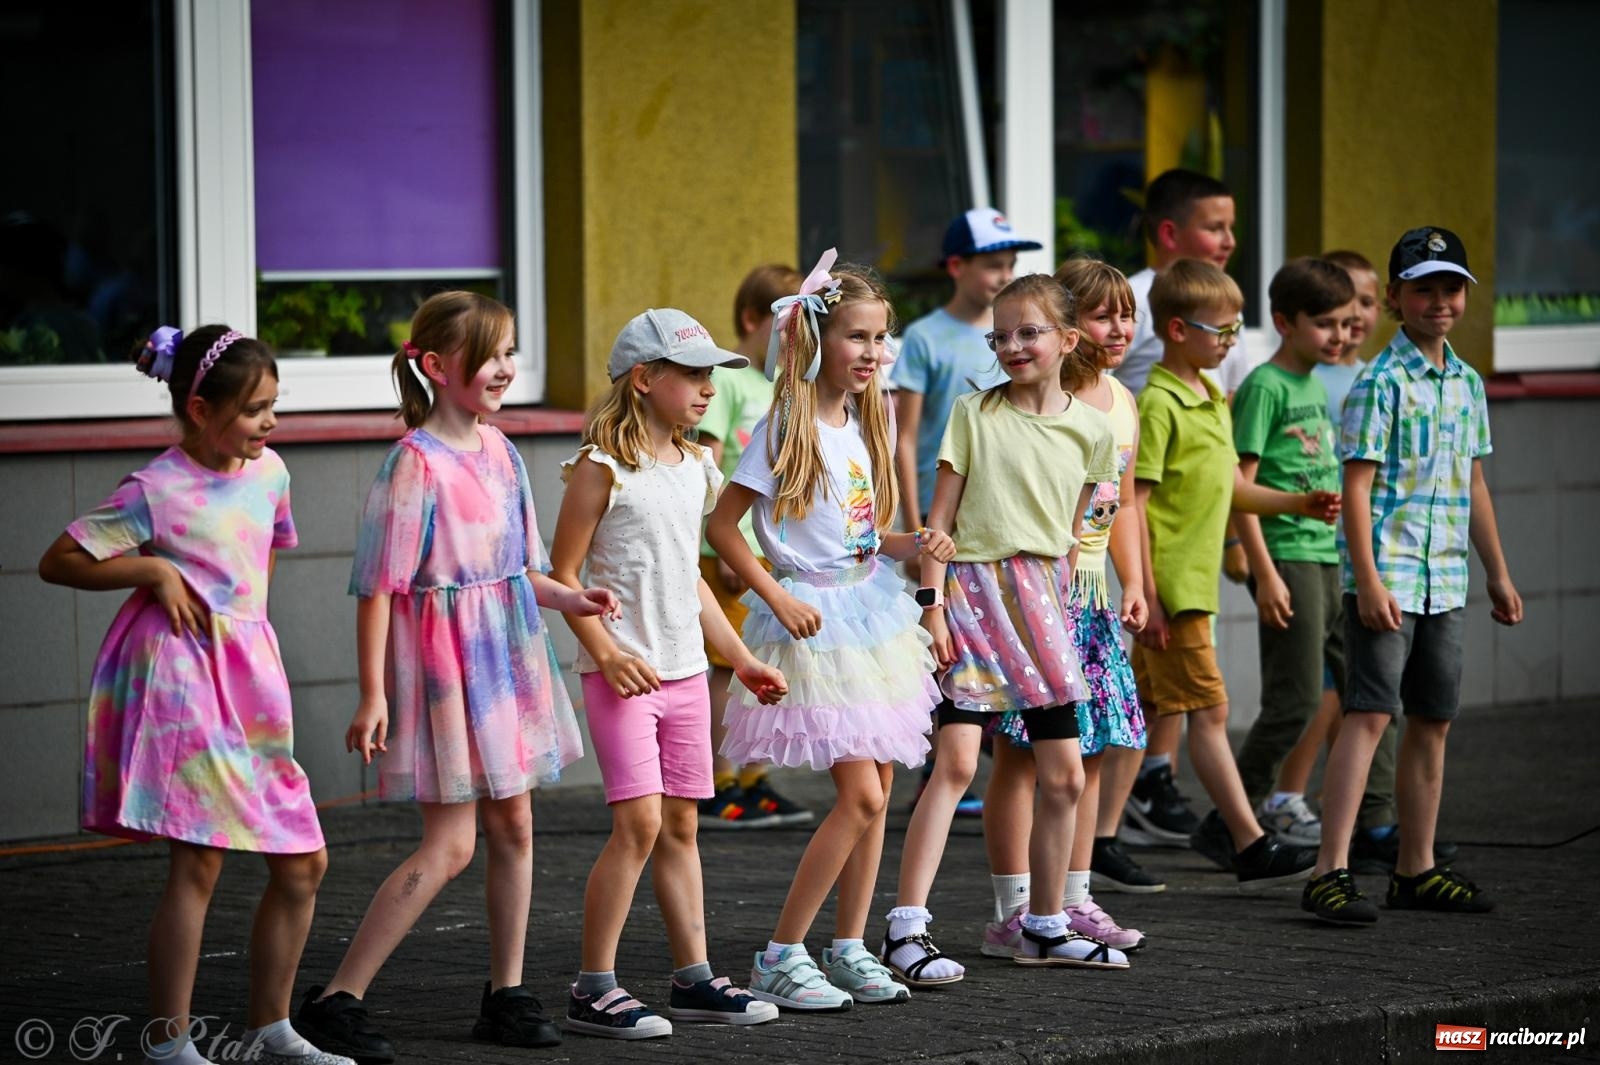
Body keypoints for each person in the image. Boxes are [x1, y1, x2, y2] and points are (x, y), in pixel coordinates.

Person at [293, 293, 607, 1062]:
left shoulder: (499, 450)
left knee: (515, 826)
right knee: (452, 843)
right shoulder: (414, 464)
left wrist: (569, 595)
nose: (505, 367)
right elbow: (377, 588)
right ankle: (338, 997)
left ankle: (506, 992)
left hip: (506, 657)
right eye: (490, 354)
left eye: (509, 352)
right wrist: (373, 692)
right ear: (436, 366)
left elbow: (519, 570)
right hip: (445, 670)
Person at [39, 325, 351, 1065]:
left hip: (251, 690)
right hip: (185, 686)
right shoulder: (156, 488)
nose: (269, 423)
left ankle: (270, 1025)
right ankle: (168, 1042)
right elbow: (59, 560)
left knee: (304, 860)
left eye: (275, 405)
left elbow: (251, 568)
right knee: (200, 862)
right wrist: (152, 572)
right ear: (201, 408)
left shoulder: (270, 471)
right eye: (253, 409)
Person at [707, 254, 950, 1010]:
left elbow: (859, 538)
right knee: (861, 795)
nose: (874, 353)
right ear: (816, 339)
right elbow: (722, 525)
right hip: (813, 619)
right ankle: (780, 952)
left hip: (867, 606)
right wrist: (774, 593)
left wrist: (912, 546)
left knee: (878, 784)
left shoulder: (863, 417)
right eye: (857, 337)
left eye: (882, 338)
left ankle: (847, 946)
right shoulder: (789, 420)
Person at [882, 272, 1131, 982]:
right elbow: (941, 522)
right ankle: (905, 928)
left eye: (1030, 332)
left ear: (1067, 340)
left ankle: (1045, 924)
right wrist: (931, 606)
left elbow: (1084, 526)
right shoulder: (973, 413)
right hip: (972, 596)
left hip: (1045, 606)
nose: (1014, 345)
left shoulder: (1094, 431)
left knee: (1064, 775)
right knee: (956, 763)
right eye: (1002, 335)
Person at [551, 308, 785, 1038]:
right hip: (625, 676)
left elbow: (692, 580)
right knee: (640, 823)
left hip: (686, 673)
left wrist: (740, 658)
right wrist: (608, 652)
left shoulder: (698, 468)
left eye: (711, 374)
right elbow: (562, 576)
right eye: (691, 373)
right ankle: (593, 986)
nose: (707, 387)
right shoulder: (601, 466)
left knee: (682, 824)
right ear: (645, 379)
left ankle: (694, 979)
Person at [1301, 227, 1523, 925]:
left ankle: (1415, 869)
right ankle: (1329, 869)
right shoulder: (1381, 381)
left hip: (1447, 580)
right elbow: (1357, 487)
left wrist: (1498, 573)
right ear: (1394, 297)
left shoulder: (1466, 382)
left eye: (1451, 287)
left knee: (1433, 721)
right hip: (1390, 577)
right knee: (1368, 714)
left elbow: (1475, 486)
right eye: (1423, 288)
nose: (1440, 301)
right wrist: (1365, 579)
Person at [1131, 260, 1338, 888]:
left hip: (1197, 587)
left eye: (1236, 328)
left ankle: (1098, 840)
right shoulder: (1160, 402)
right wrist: (1146, 592)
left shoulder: (1210, 399)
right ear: (1175, 328)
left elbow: (1232, 491)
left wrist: (1298, 503)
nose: (1230, 341)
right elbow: (1133, 505)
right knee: (1212, 712)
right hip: (1173, 588)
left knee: (1131, 723)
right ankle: (1246, 841)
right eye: (1219, 329)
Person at [977, 259, 1154, 956]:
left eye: (1126, 314)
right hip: (1032, 595)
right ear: (1064, 328)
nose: (1119, 329)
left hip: (1090, 597)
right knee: (1021, 756)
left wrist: (1132, 579)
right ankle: (1015, 904)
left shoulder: (1121, 400)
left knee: (1097, 744)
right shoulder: (1025, 408)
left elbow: (1126, 500)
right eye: (1103, 315)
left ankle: (1074, 894)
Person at [1113, 169, 1253, 850]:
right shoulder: (1134, 303)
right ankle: (1237, 832)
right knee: (1185, 683)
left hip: (1196, 512)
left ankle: (1138, 791)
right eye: (1215, 226)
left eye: (1232, 227)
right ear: (1170, 232)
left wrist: (1234, 534)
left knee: (1158, 685)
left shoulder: (1221, 313)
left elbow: (1221, 452)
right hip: (1148, 516)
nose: (1229, 239)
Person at [893, 208, 1044, 818]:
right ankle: (937, 763)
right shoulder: (927, 336)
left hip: (1000, 524)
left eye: (1011, 264)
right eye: (992, 264)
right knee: (942, 638)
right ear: (956, 266)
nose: (1004, 274)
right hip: (943, 518)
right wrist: (916, 526)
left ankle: (983, 754)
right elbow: (905, 438)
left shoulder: (1019, 337)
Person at [1229, 258, 1355, 849]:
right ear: (1284, 321)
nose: (1339, 336)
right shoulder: (1265, 386)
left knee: (1353, 690)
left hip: (1325, 555)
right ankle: (1233, 819)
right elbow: (1240, 488)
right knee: (1296, 698)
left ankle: (1365, 819)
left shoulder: (1314, 383)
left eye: (1346, 323)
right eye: (1325, 324)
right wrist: (1263, 570)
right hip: (1286, 555)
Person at [697, 262, 813, 830]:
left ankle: (753, 776)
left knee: (766, 663)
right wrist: (718, 550)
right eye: (787, 325)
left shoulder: (789, 390)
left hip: (774, 551)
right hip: (730, 552)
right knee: (728, 664)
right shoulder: (729, 383)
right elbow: (708, 465)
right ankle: (716, 780)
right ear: (752, 319)